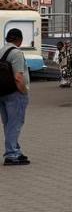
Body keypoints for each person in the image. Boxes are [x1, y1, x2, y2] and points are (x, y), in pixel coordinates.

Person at [0, 29, 30, 166]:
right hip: (14, 93)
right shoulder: (16, 53)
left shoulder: (1, 51)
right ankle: (12, 154)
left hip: (2, 92)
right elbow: (18, 77)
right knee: (15, 123)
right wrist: (23, 92)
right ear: (20, 40)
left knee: (8, 124)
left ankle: (15, 149)